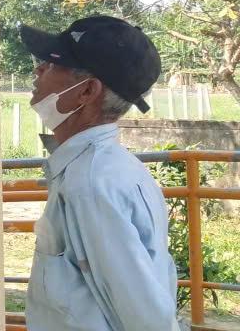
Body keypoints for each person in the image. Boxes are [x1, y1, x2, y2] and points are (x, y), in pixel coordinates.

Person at [20, 16, 176, 330]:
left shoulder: (90, 185)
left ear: (87, 91)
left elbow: (145, 315)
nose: (39, 70)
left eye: (53, 64)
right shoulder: (106, 168)